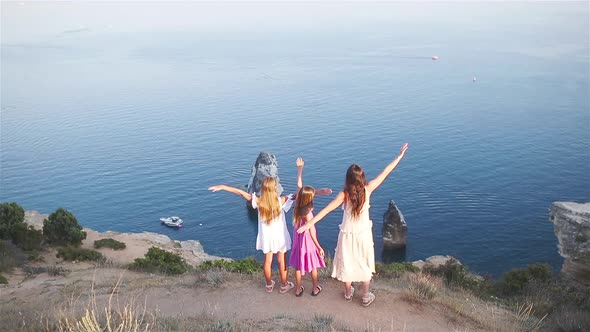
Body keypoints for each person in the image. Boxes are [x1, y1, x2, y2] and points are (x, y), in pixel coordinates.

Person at [298, 143, 409, 306]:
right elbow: (385, 172)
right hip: (363, 234)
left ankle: (348, 293)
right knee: (364, 262)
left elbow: (326, 210)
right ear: (361, 178)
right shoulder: (368, 189)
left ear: (348, 179)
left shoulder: (344, 194)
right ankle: (365, 296)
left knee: (348, 261)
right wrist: (399, 156)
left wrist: (309, 224)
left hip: (347, 234)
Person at [209, 177, 295, 294]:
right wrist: (317, 190)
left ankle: (269, 285)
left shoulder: (259, 202)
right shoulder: (281, 200)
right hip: (280, 236)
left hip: (266, 237)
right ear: (274, 188)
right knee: (282, 260)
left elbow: (240, 193)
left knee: (267, 261)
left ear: (263, 189)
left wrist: (223, 187)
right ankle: (284, 285)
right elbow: (300, 194)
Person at [289, 158, 329, 297]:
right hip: (307, 241)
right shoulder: (308, 213)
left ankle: (298, 288)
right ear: (310, 200)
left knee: (299, 266)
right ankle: (315, 288)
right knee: (312, 265)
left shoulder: (298, 204)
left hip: (298, 237)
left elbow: (300, 186)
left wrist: (300, 169)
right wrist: (319, 246)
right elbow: (311, 231)